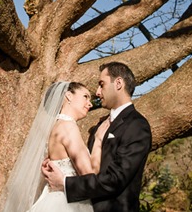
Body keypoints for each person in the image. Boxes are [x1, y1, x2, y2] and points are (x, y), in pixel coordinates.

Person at [42, 62, 152, 212]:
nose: (98, 93)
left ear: (118, 83)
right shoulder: (99, 125)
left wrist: (65, 183)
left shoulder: (137, 125)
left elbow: (116, 179)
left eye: (102, 85)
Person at [0, 81, 109, 212]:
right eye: (85, 96)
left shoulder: (55, 127)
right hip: (68, 203)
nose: (90, 103)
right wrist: (99, 140)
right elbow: (89, 175)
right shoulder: (68, 127)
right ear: (69, 96)